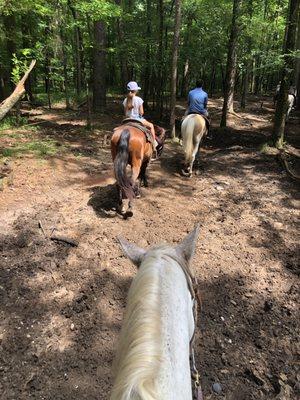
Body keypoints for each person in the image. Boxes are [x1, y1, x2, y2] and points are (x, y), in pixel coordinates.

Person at [123, 81, 157, 154]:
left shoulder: (125, 100)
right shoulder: (139, 99)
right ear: (136, 90)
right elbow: (141, 112)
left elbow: (125, 113)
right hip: (137, 119)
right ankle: (154, 144)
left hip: (127, 119)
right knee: (151, 126)